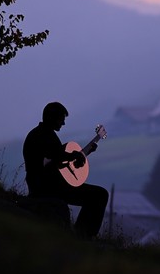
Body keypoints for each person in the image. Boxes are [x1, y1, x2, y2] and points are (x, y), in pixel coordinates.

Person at [23, 101, 109, 239]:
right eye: (61, 119)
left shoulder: (42, 134)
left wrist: (84, 154)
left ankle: (81, 234)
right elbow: (56, 158)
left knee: (96, 196)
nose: (63, 123)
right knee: (99, 195)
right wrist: (74, 155)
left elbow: (59, 163)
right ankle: (83, 235)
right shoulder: (42, 136)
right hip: (49, 187)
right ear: (52, 117)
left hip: (49, 185)